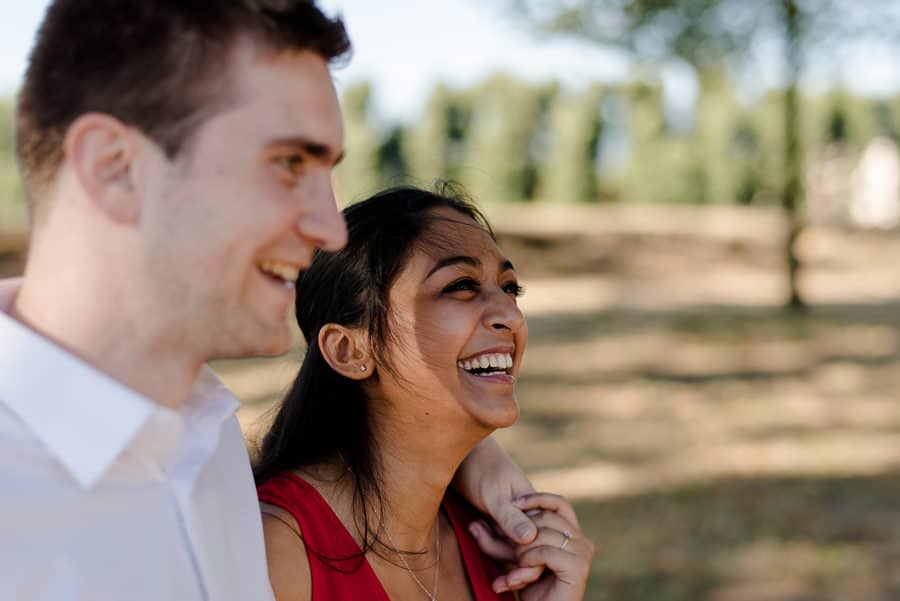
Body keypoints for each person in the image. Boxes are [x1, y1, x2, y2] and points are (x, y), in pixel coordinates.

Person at [0, 2, 545, 599]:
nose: (329, 231)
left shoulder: (207, 449)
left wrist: (472, 457)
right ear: (115, 168)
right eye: (289, 164)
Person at [255, 185, 594, 600]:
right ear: (349, 350)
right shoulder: (278, 553)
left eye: (510, 288)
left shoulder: (502, 549)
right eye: (461, 285)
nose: (510, 315)